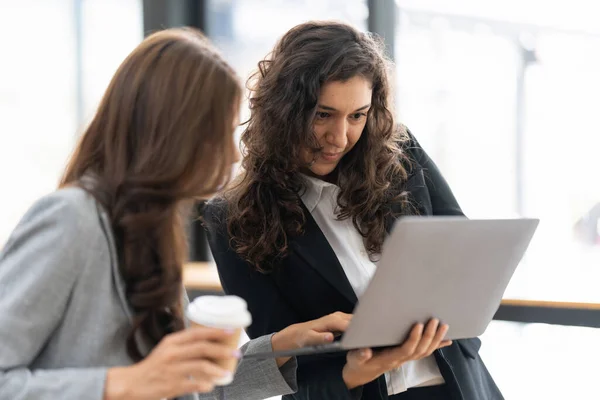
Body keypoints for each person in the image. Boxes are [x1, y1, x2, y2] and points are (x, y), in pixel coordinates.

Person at [0, 28, 352, 400]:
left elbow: (190, 386)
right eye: (220, 133)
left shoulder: (151, 235)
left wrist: (284, 346)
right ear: (174, 132)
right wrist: (123, 385)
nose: (233, 156)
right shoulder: (72, 219)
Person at [204, 21, 504, 399]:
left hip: (458, 387)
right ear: (283, 111)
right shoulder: (233, 218)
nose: (340, 137)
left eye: (357, 115)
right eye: (322, 115)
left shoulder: (401, 153)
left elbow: (463, 259)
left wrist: (458, 331)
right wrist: (352, 375)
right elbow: (279, 366)